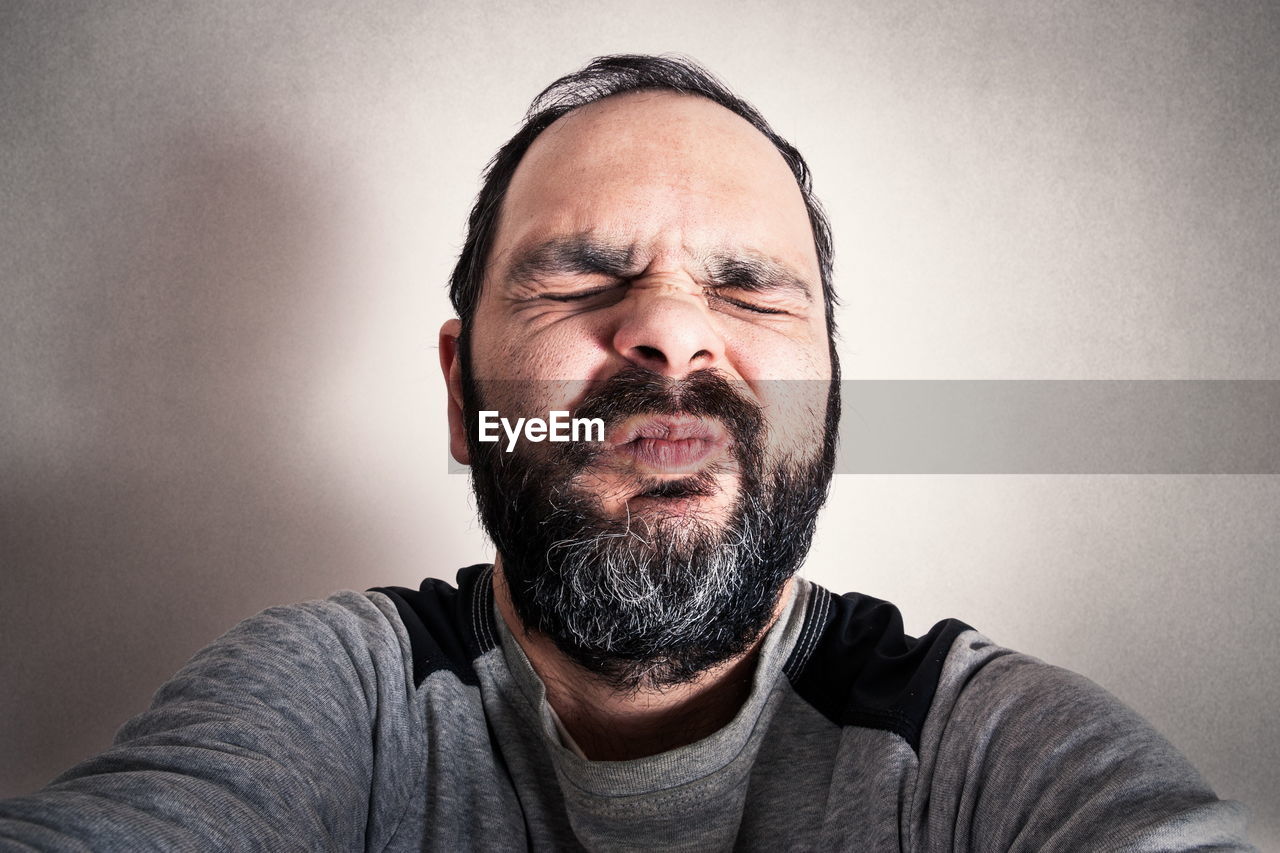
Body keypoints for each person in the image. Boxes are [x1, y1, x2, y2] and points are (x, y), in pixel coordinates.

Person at [0, 54, 1253, 852]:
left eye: (750, 290)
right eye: (583, 276)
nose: (665, 330)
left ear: (829, 405)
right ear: (462, 394)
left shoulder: (974, 743)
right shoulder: (341, 694)